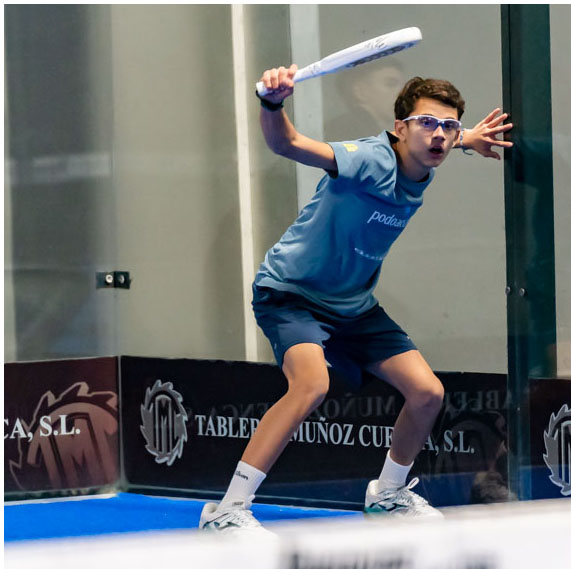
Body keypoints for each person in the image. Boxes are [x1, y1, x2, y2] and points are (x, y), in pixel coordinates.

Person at [199, 64, 513, 535]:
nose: (440, 134)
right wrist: (271, 103)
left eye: (449, 126)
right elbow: (287, 144)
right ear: (399, 128)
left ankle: (387, 495)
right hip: (292, 293)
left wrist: (467, 137)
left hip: (353, 305)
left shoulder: (431, 148)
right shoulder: (367, 159)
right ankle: (226, 510)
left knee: (427, 393)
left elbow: (442, 137)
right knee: (310, 386)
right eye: (428, 123)